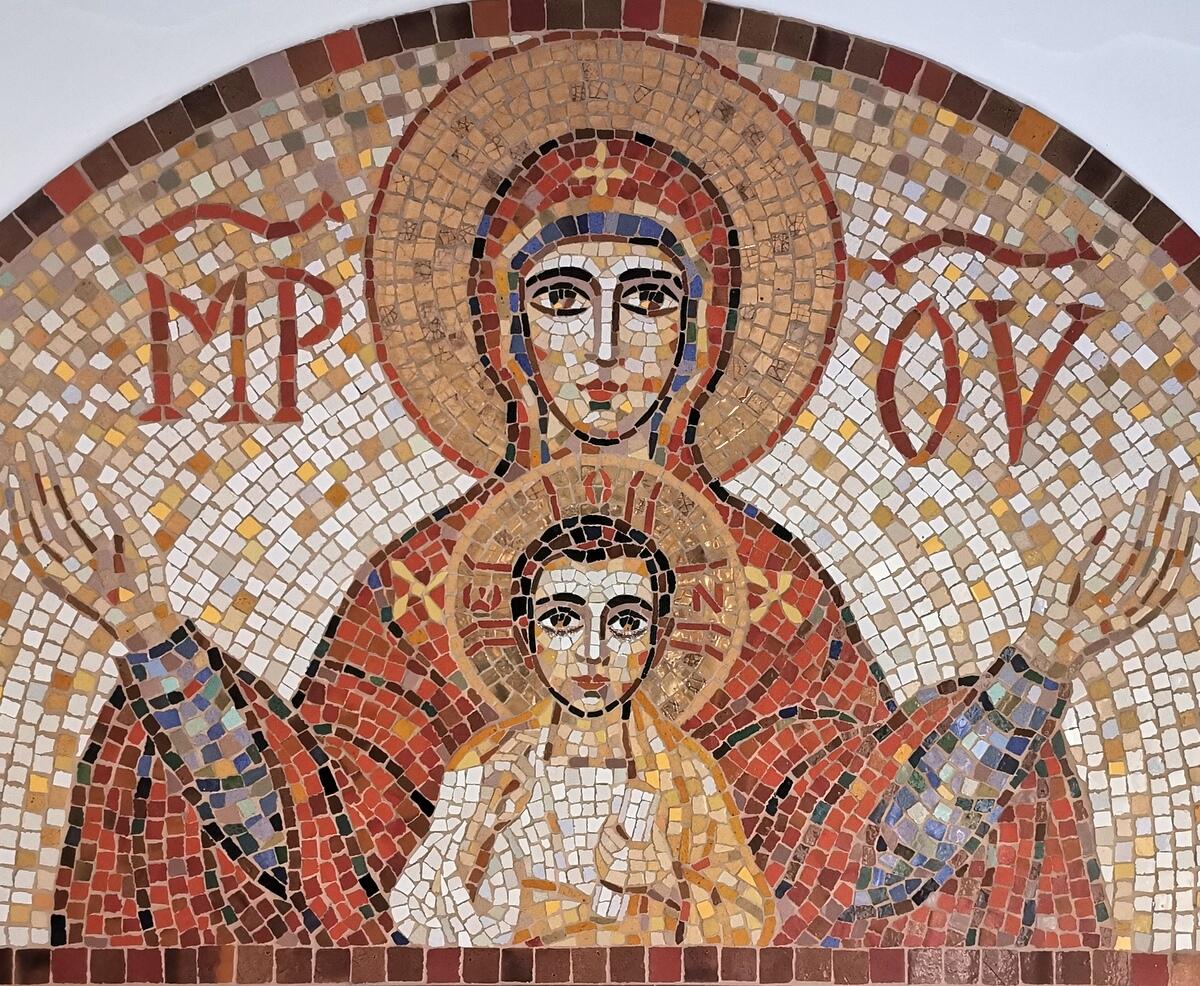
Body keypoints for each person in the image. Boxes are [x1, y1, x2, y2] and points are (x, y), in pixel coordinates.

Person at [15, 35, 1178, 948]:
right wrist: (154, 640)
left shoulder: (774, 589)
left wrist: (1038, 668)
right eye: (566, 297)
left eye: (650, 298)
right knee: (144, 734)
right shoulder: (415, 586)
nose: (609, 345)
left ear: (701, 330)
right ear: (507, 326)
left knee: (1022, 766)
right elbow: (325, 842)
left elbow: (855, 852)